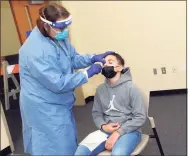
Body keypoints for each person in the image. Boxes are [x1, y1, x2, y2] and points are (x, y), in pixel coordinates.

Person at [19, 3, 114, 156]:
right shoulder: (34, 51)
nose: (64, 31)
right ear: (46, 25)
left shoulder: (56, 36)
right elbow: (58, 83)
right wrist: (87, 73)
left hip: (59, 102)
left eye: (66, 27)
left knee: (67, 140)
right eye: (61, 27)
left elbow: (73, 58)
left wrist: (93, 58)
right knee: (53, 147)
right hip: (43, 106)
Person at [75, 53, 147, 156]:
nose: (105, 65)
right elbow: (97, 114)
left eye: (110, 62)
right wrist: (103, 126)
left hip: (129, 130)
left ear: (119, 67)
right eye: (104, 63)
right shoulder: (100, 89)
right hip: (106, 130)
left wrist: (118, 133)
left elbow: (140, 117)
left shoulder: (131, 88)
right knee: (80, 152)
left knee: (118, 154)